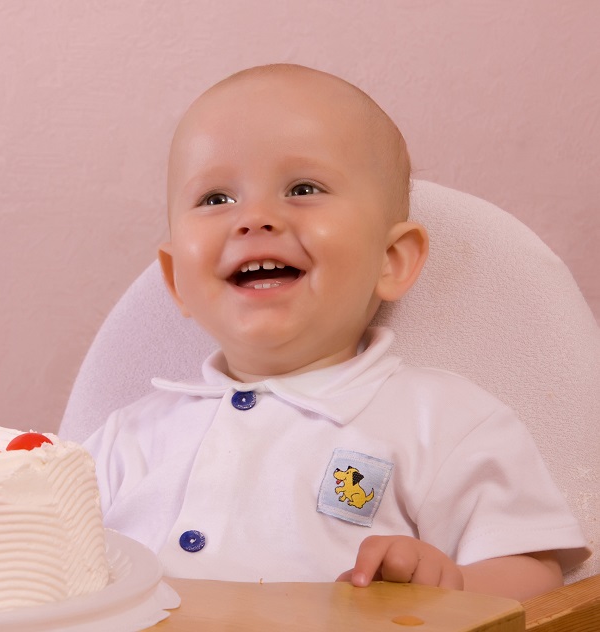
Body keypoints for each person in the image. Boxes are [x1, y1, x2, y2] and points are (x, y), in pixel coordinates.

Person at [84, 64, 590, 601]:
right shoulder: (123, 443)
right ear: (176, 281)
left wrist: (448, 587)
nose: (253, 218)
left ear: (391, 260)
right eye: (216, 199)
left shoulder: (442, 422)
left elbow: (534, 572)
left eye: (303, 188)